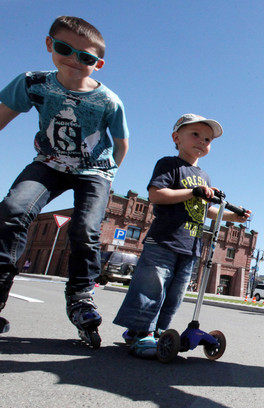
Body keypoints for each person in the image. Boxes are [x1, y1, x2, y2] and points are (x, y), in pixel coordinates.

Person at [0, 16, 129, 335]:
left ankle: (81, 298)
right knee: (13, 211)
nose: (73, 60)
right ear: (49, 45)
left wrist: (110, 174)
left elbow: (122, 142)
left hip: (93, 170)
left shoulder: (107, 100)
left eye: (85, 57)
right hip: (48, 163)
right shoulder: (34, 83)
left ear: (98, 64)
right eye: (64, 49)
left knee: (85, 228)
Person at [113, 113, 250, 358]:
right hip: (164, 240)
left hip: (190, 245)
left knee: (175, 295)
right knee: (152, 287)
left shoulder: (204, 176)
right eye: (195, 134)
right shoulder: (169, 164)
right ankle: (140, 332)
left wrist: (232, 218)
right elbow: (157, 195)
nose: (202, 141)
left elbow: (205, 209)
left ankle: (158, 333)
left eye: (207, 139)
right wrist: (192, 192)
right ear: (177, 138)